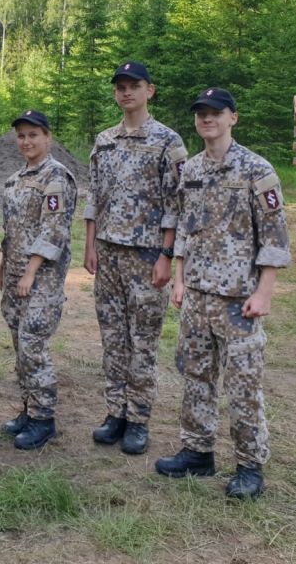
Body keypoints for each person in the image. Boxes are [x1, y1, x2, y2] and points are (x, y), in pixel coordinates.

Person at [155, 88, 291, 500]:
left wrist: (265, 291)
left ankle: (250, 465)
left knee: (243, 385)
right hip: (196, 294)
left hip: (238, 301)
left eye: (215, 113)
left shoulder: (256, 169)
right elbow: (181, 227)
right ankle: (197, 452)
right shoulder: (190, 169)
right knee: (195, 376)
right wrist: (180, 280)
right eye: (200, 113)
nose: (206, 119)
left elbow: (275, 236)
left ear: (233, 118)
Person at [83, 61, 187, 455]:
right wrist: (90, 244)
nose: (127, 93)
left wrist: (165, 255)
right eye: (120, 87)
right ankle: (116, 413)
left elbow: (176, 203)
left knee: (142, 340)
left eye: (134, 86)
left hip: (146, 256)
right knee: (113, 338)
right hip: (107, 254)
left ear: (150, 91)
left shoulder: (168, 141)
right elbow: (94, 196)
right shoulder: (104, 140)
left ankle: (139, 417)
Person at [0, 110, 77, 450]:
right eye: (21, 136)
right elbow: (12, 230)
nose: (26, 141)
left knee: (33, 344)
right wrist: (5, 266)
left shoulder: (56, 177)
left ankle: (44, 419)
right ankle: (29, 409)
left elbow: (53, 230)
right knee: (20, 345)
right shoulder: (16, 179)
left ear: (48, 137)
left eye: (33, 135)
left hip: (41, 279)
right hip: (16, 275)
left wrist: (30, 272)